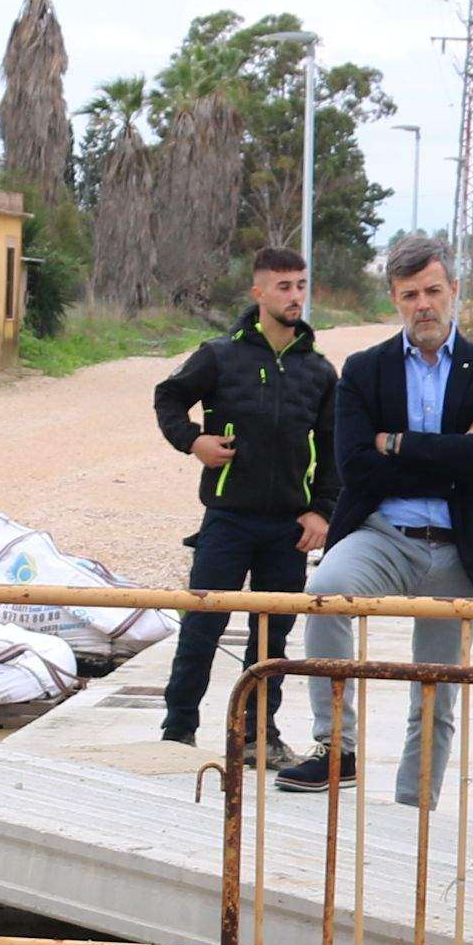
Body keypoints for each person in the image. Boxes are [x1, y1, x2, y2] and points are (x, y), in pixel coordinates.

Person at [292, 234, 473, 802]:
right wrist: (452, 452)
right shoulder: (365, 371)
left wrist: (398, 444)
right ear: (394, 299)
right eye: (410, 293)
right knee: (324, 594)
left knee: (435, 695)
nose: (424, 304)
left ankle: (413, 811)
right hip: (383, 536)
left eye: (433, 291)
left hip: (460, 548)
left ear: (454, 291)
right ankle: (336, 746)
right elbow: (356, 465)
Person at [152, 245, 339, 768]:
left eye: (301, 285)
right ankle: (177, 732)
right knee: (201, 627)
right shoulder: (220, 355)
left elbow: (333, 449)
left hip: (288, 529)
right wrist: (194, 441)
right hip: (228, 520)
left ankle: (259, 736)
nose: (295, 295)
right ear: (259, 293)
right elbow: (168, 396)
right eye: (284, 286)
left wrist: (321, 510)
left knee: (271, 642)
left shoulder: (321, 372)